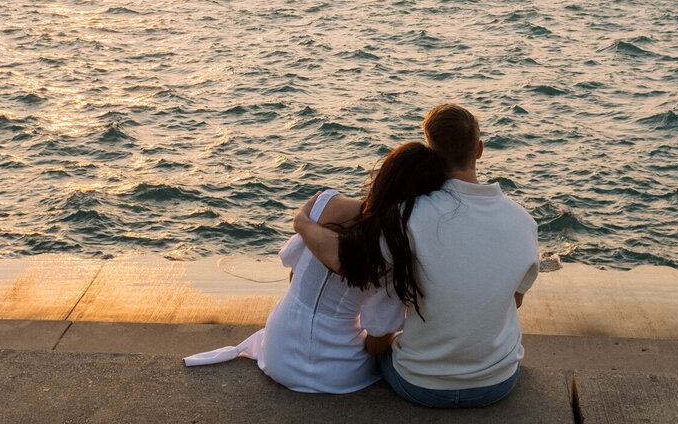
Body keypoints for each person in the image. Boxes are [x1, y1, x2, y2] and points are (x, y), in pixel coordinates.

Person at [295, 104, 540, 408]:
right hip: (497, 383)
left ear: (429, 154)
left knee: (377, 344)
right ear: (479, 149)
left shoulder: (408, 215)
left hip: (421, 384)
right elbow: (514, 301)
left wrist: (302, 223)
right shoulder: (524, 223)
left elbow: (344, 259)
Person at [183, 142, 447, 393]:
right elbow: (376, 341)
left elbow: (291, 269)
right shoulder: (397, 252)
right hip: (339, 374)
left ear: (383, 175)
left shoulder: (325, 204)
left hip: (279, 353)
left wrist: (301, 221)